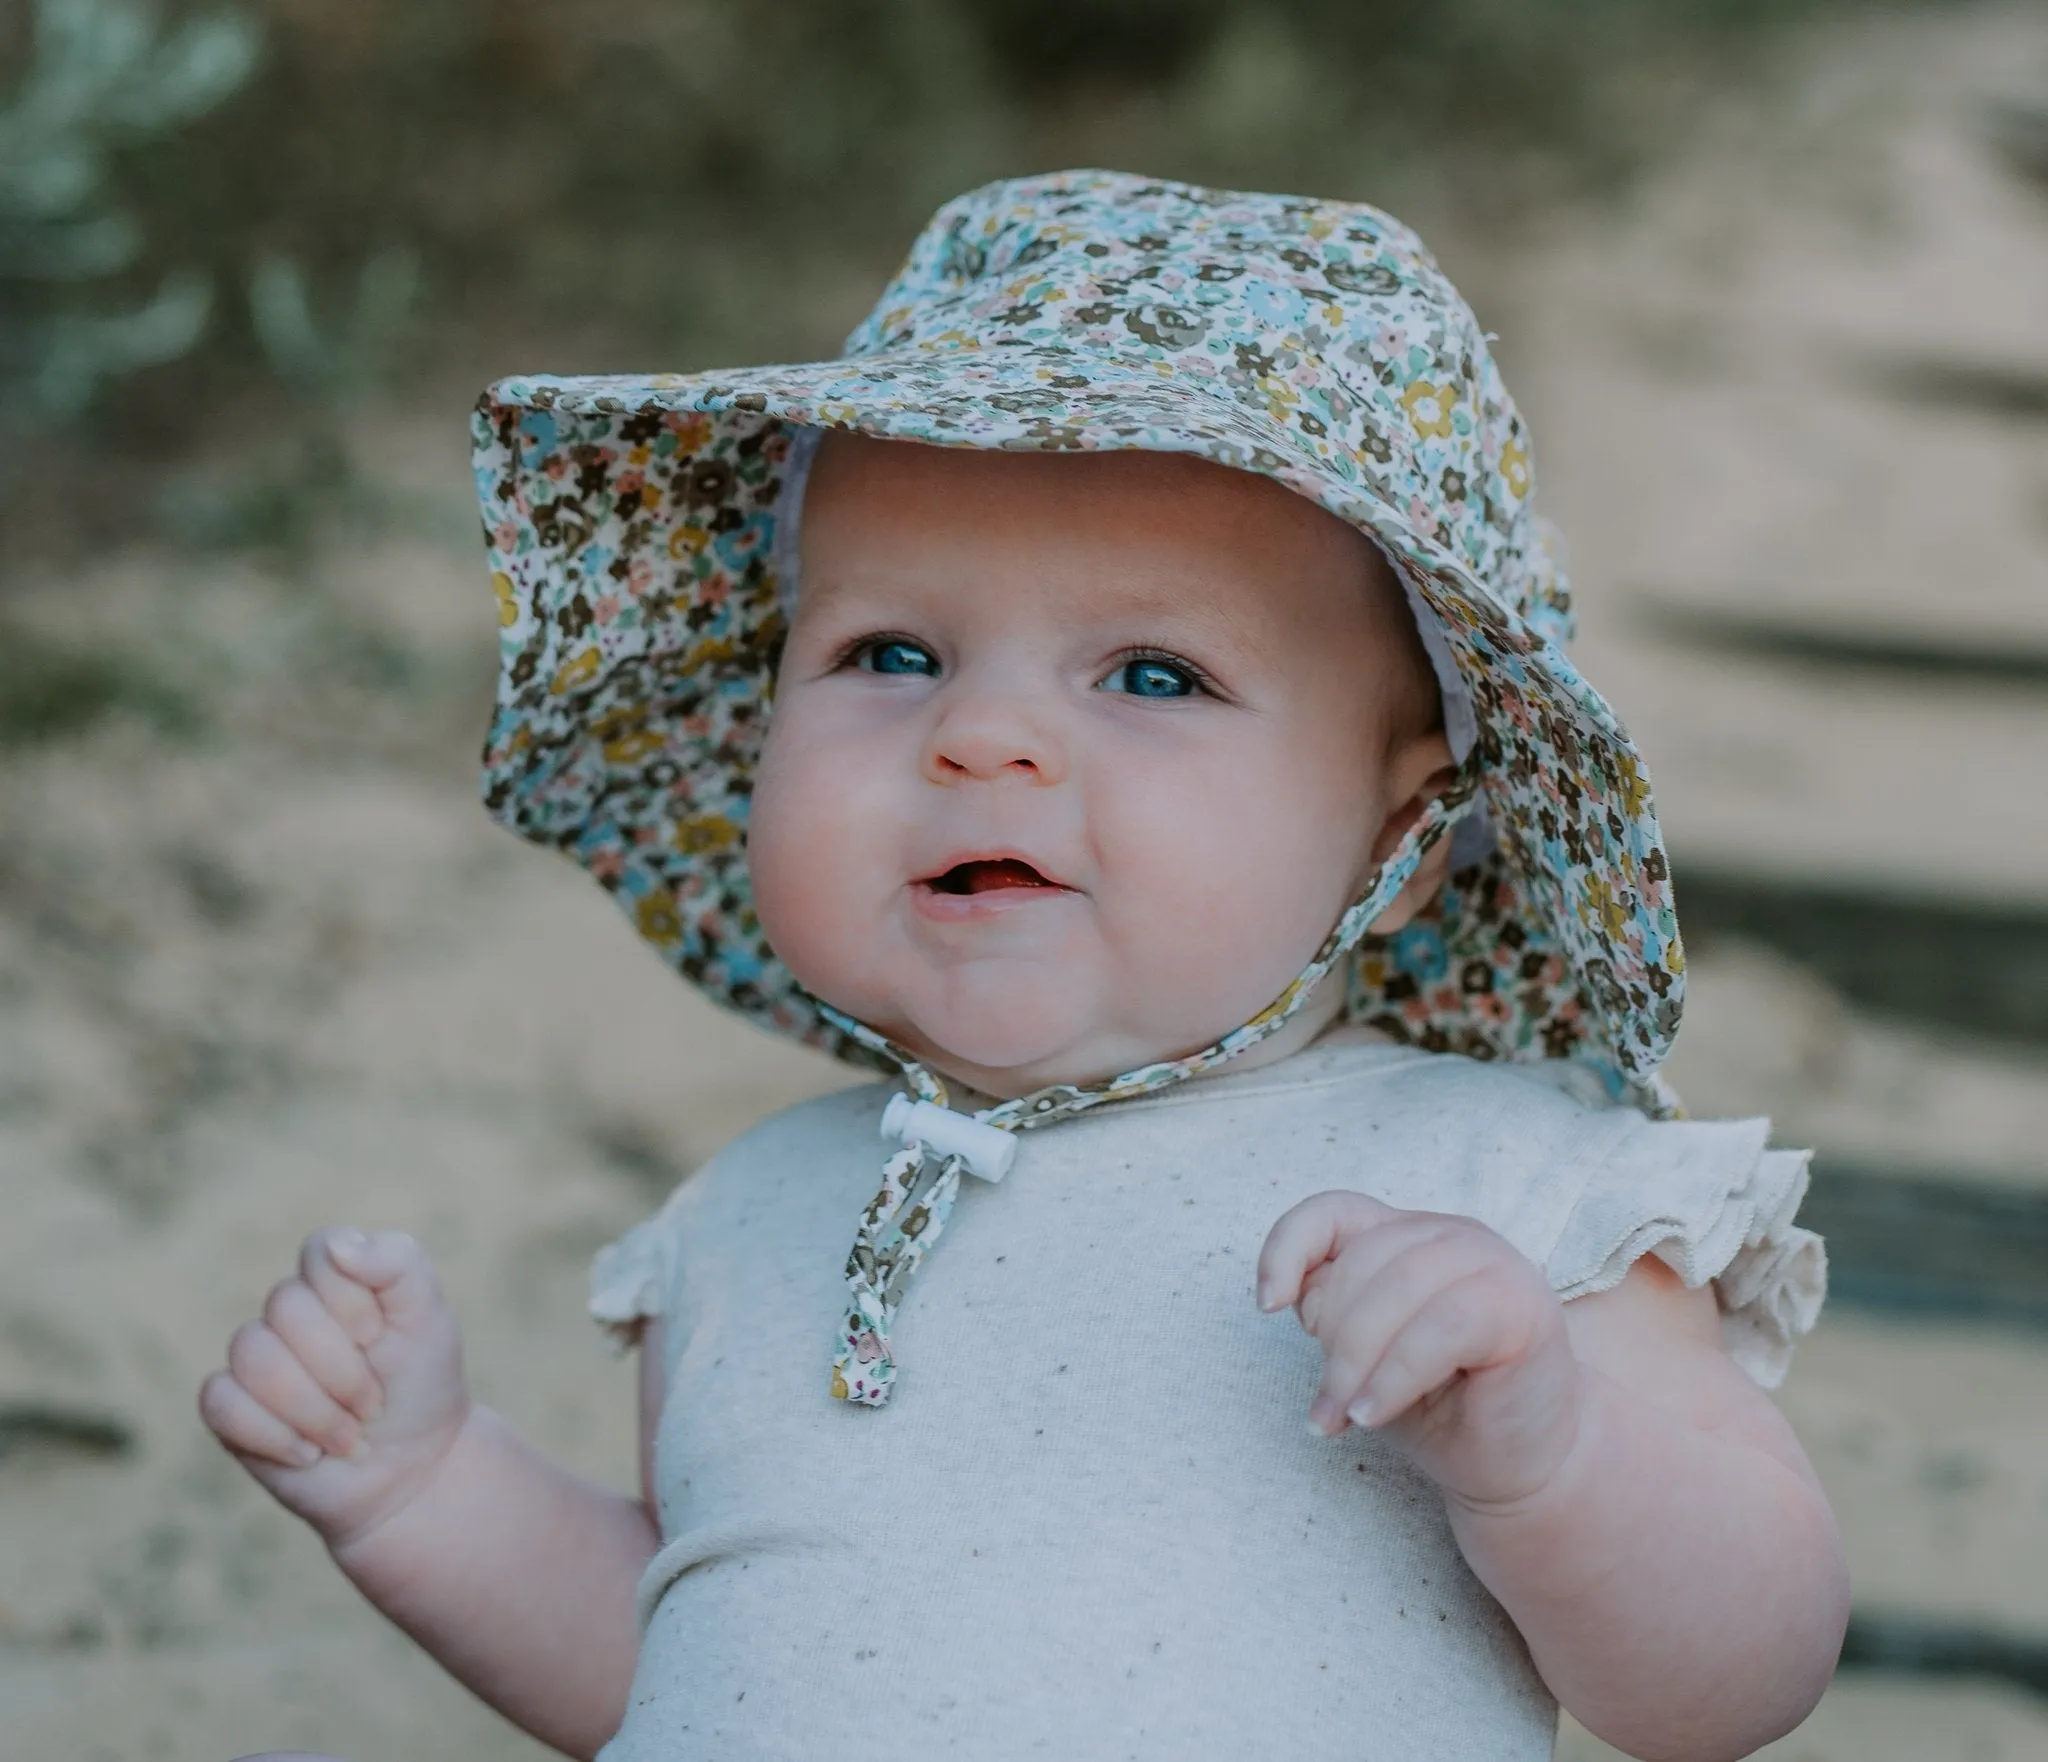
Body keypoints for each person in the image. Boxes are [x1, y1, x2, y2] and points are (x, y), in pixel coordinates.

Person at [200, 170, 1847, 1762]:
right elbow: (702, 1654)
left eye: (1150, 672)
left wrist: (1544, 1447)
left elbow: (1737, 1683)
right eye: (890, 651)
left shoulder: (1510, 1198)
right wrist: (422, 1488)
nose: (982, 734)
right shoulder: (751, 1214)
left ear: (1401, 830)